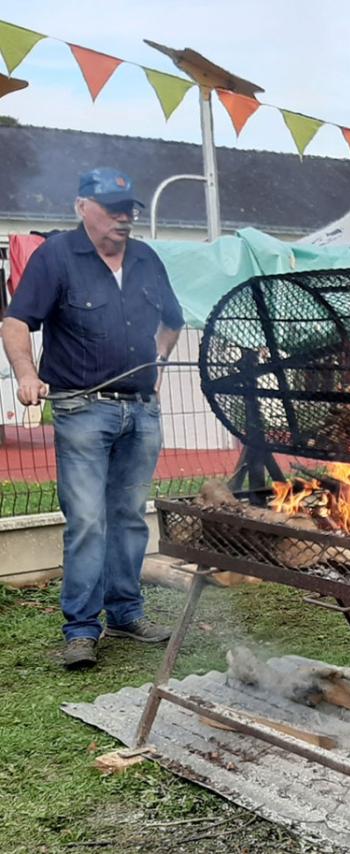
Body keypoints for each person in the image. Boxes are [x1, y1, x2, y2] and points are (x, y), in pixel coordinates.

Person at [2, 167, 185, 669]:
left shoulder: (147, 259)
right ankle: (82, 629)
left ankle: (126, 613)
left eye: (129, 210)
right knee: (87, 522)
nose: (124, 219)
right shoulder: (56, 256)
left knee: (129, 518)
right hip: (82, 409)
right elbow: (17, 320)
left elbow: (173, 318)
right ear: (82, 206)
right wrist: (25, 374)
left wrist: (160, 361)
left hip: (142, 412)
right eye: (112, 209)